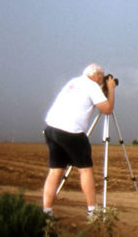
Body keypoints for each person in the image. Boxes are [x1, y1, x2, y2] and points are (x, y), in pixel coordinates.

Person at [42, 63, 117, 219]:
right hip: (71, 131)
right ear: (98, 76)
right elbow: (107, 109)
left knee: (55, 170)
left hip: (52, 128)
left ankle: (46, 211)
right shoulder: (92, 86)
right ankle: (92, 211)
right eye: (101, 78)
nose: (101, 80)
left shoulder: (74, 82)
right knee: (85, 169)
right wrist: (110, 89)